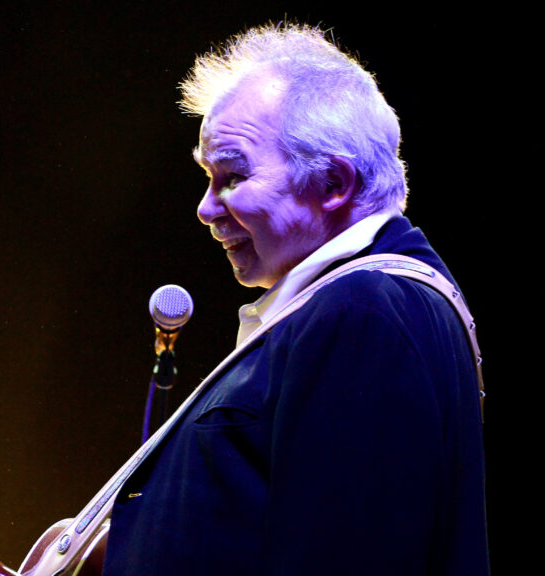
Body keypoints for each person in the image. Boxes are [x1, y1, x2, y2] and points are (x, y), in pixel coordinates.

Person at [100, 23, 489, 575]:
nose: (205, 210)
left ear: (333, 182)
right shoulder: (362, 307)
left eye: (232, 176)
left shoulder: (365, 313)